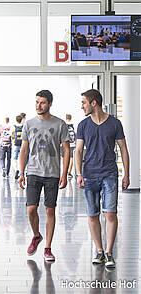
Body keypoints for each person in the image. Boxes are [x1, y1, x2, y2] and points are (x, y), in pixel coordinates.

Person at [75, 89, 130, 269]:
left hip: (109, 174)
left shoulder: (115, 123)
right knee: (93, 215)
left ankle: (109, 252)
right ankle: (99, 251)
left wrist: (126, 174)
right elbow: (78, 151)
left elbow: (123, 149)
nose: (81, 106)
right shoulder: (83, 125)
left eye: (83, 102)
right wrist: (79, 173)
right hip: (90, 174)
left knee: (110, 214)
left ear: (93, 103)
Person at [18, 90, 70, 262]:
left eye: (42, 103)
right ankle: (36, 235)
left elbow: (66, 150)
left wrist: (64, 173)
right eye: (37, 102)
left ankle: (48, 247)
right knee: (31, 209)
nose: (38, 106)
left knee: (50, 210)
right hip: (33, 171)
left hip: (52, 173)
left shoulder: (60, 124)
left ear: (50, 104)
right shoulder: (29, 124)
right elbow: (24, 149)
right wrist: (21, 172)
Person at [12, 115, 23, 179]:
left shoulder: (14, 127)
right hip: (21, 144)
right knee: (21, 158)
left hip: (16, 144)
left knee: (15, 158)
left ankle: (16, 169)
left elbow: (12, 135)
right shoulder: (23, 127)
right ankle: (21, 170)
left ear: (16, 120)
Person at [65, 114, 76, 179]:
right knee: (71, 157)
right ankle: (69, 172)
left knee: (64, 157)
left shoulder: (63, 124)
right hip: (72, 144)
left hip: (64, 144)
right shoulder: (73, 125)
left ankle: (65, 171)